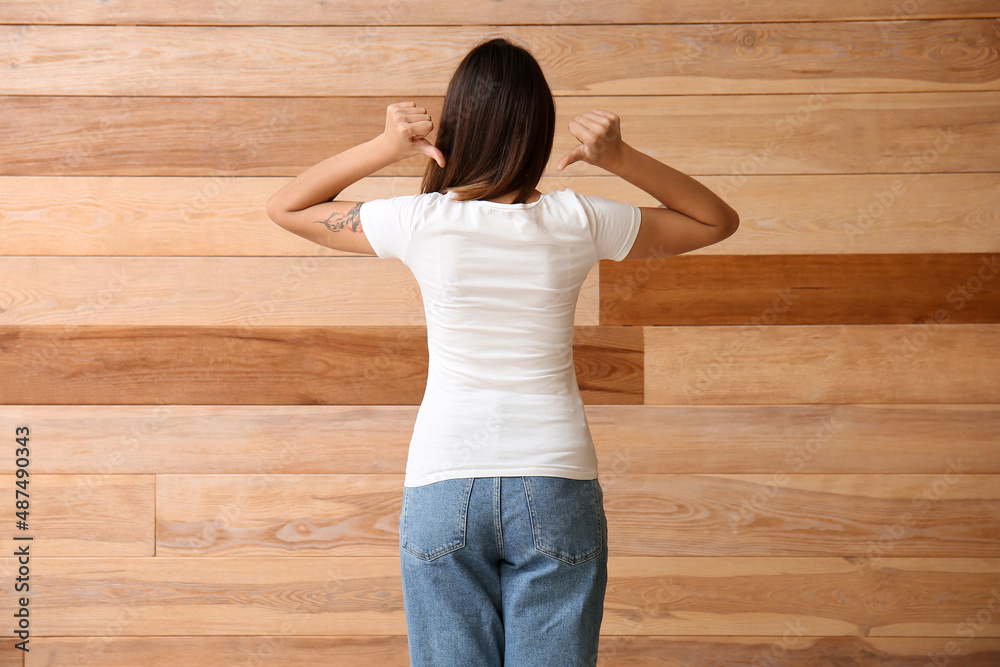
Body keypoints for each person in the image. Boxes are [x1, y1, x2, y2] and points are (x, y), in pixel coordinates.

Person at [266, 37, 738, 667]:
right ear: (539, 132)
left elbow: (286, 205)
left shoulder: (420, 219)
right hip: (556, 481)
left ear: (458, 123)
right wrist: (620, 158)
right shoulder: (579, 218)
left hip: (443, 481)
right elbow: (714, 221)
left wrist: (385, 147)